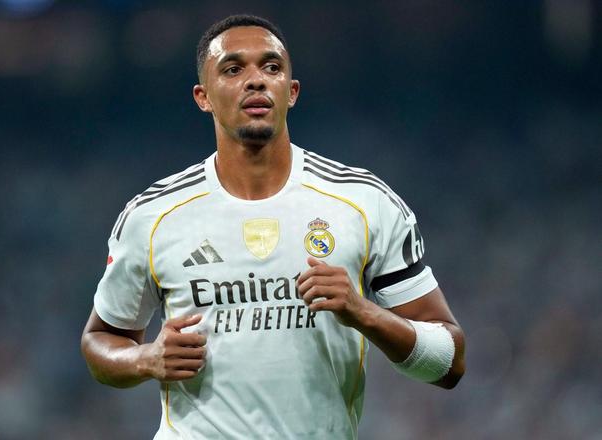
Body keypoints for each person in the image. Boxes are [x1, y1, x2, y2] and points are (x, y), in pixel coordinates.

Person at [81, 14, 465, 439]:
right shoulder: (153, 216)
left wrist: (364, 313)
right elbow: (100, 340)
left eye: (271, 67)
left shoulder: (363, 202)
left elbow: (449, 363)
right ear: (203, 97)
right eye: (233, 69)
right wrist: (146, 359)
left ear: (291, 91)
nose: (256, 80)